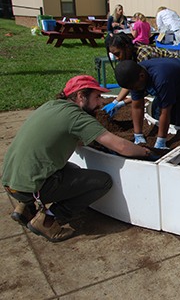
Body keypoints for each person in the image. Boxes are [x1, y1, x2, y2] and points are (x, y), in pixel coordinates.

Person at [1, 75, 154, 242]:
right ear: (81, 96)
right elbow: (122, 147)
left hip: (11, 181)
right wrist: (144, 152)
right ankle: (48, 220)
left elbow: (79, 141)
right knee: (101, 182)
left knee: (73, 170)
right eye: (96, 97)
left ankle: (25, 208)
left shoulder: (52, 106)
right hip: (30, 187)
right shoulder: (77, 117)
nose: (100, 103)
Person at [114, 58, 180, 149]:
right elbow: (137, 107)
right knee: (172, 118)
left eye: (134, 88)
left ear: (142, 76)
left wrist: (161, 140)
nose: (134, 90)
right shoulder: (135, 78)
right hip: (175, 80)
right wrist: (138, 135)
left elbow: (165, 111)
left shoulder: (161, 78)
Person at [102, 32, 179, 117]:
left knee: (159, 112)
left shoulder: (143, 57)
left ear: (126, 47)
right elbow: (131, 83)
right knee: (155, 110)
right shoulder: (131, 58)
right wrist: (115, 101)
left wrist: (123, 103)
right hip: (165, 79)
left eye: (117, 54)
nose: (117, 58)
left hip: (177, 78)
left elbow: (141, 89)